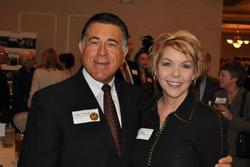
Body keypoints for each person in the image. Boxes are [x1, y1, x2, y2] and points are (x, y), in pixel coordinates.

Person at [18, 13, 232, 167]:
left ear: (124, 52)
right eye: (94, 42)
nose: (102, 52)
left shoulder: (136, 99)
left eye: (111, 44)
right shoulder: (50, 101)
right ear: (82, 47)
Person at [131, 30, 228, 167]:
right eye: (167, 64)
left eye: (185, 66)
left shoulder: (209, 120)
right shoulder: (141, 112)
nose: (175, 74)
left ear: (195, 73)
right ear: (155, 69)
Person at [212, 61, 250, 167]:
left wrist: (231, 117)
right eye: (219, 74)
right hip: (220, 150)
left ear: (235, 78)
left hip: (240, 154)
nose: (219, 77)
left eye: (223, 75)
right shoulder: (217, 95)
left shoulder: (247, 97)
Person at [12, 51, 36, 116]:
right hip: (21, 107)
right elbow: (17, 94)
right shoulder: (18, 74)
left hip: (34, 105)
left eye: (32, 59)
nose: (31, 62)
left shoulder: (37, 72)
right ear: (23, 61)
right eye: (28, 60)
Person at [0, 45, 10, 123]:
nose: (6, 56)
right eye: (4, 54)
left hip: (3, 109)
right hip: (1, 109)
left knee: (1, 133)